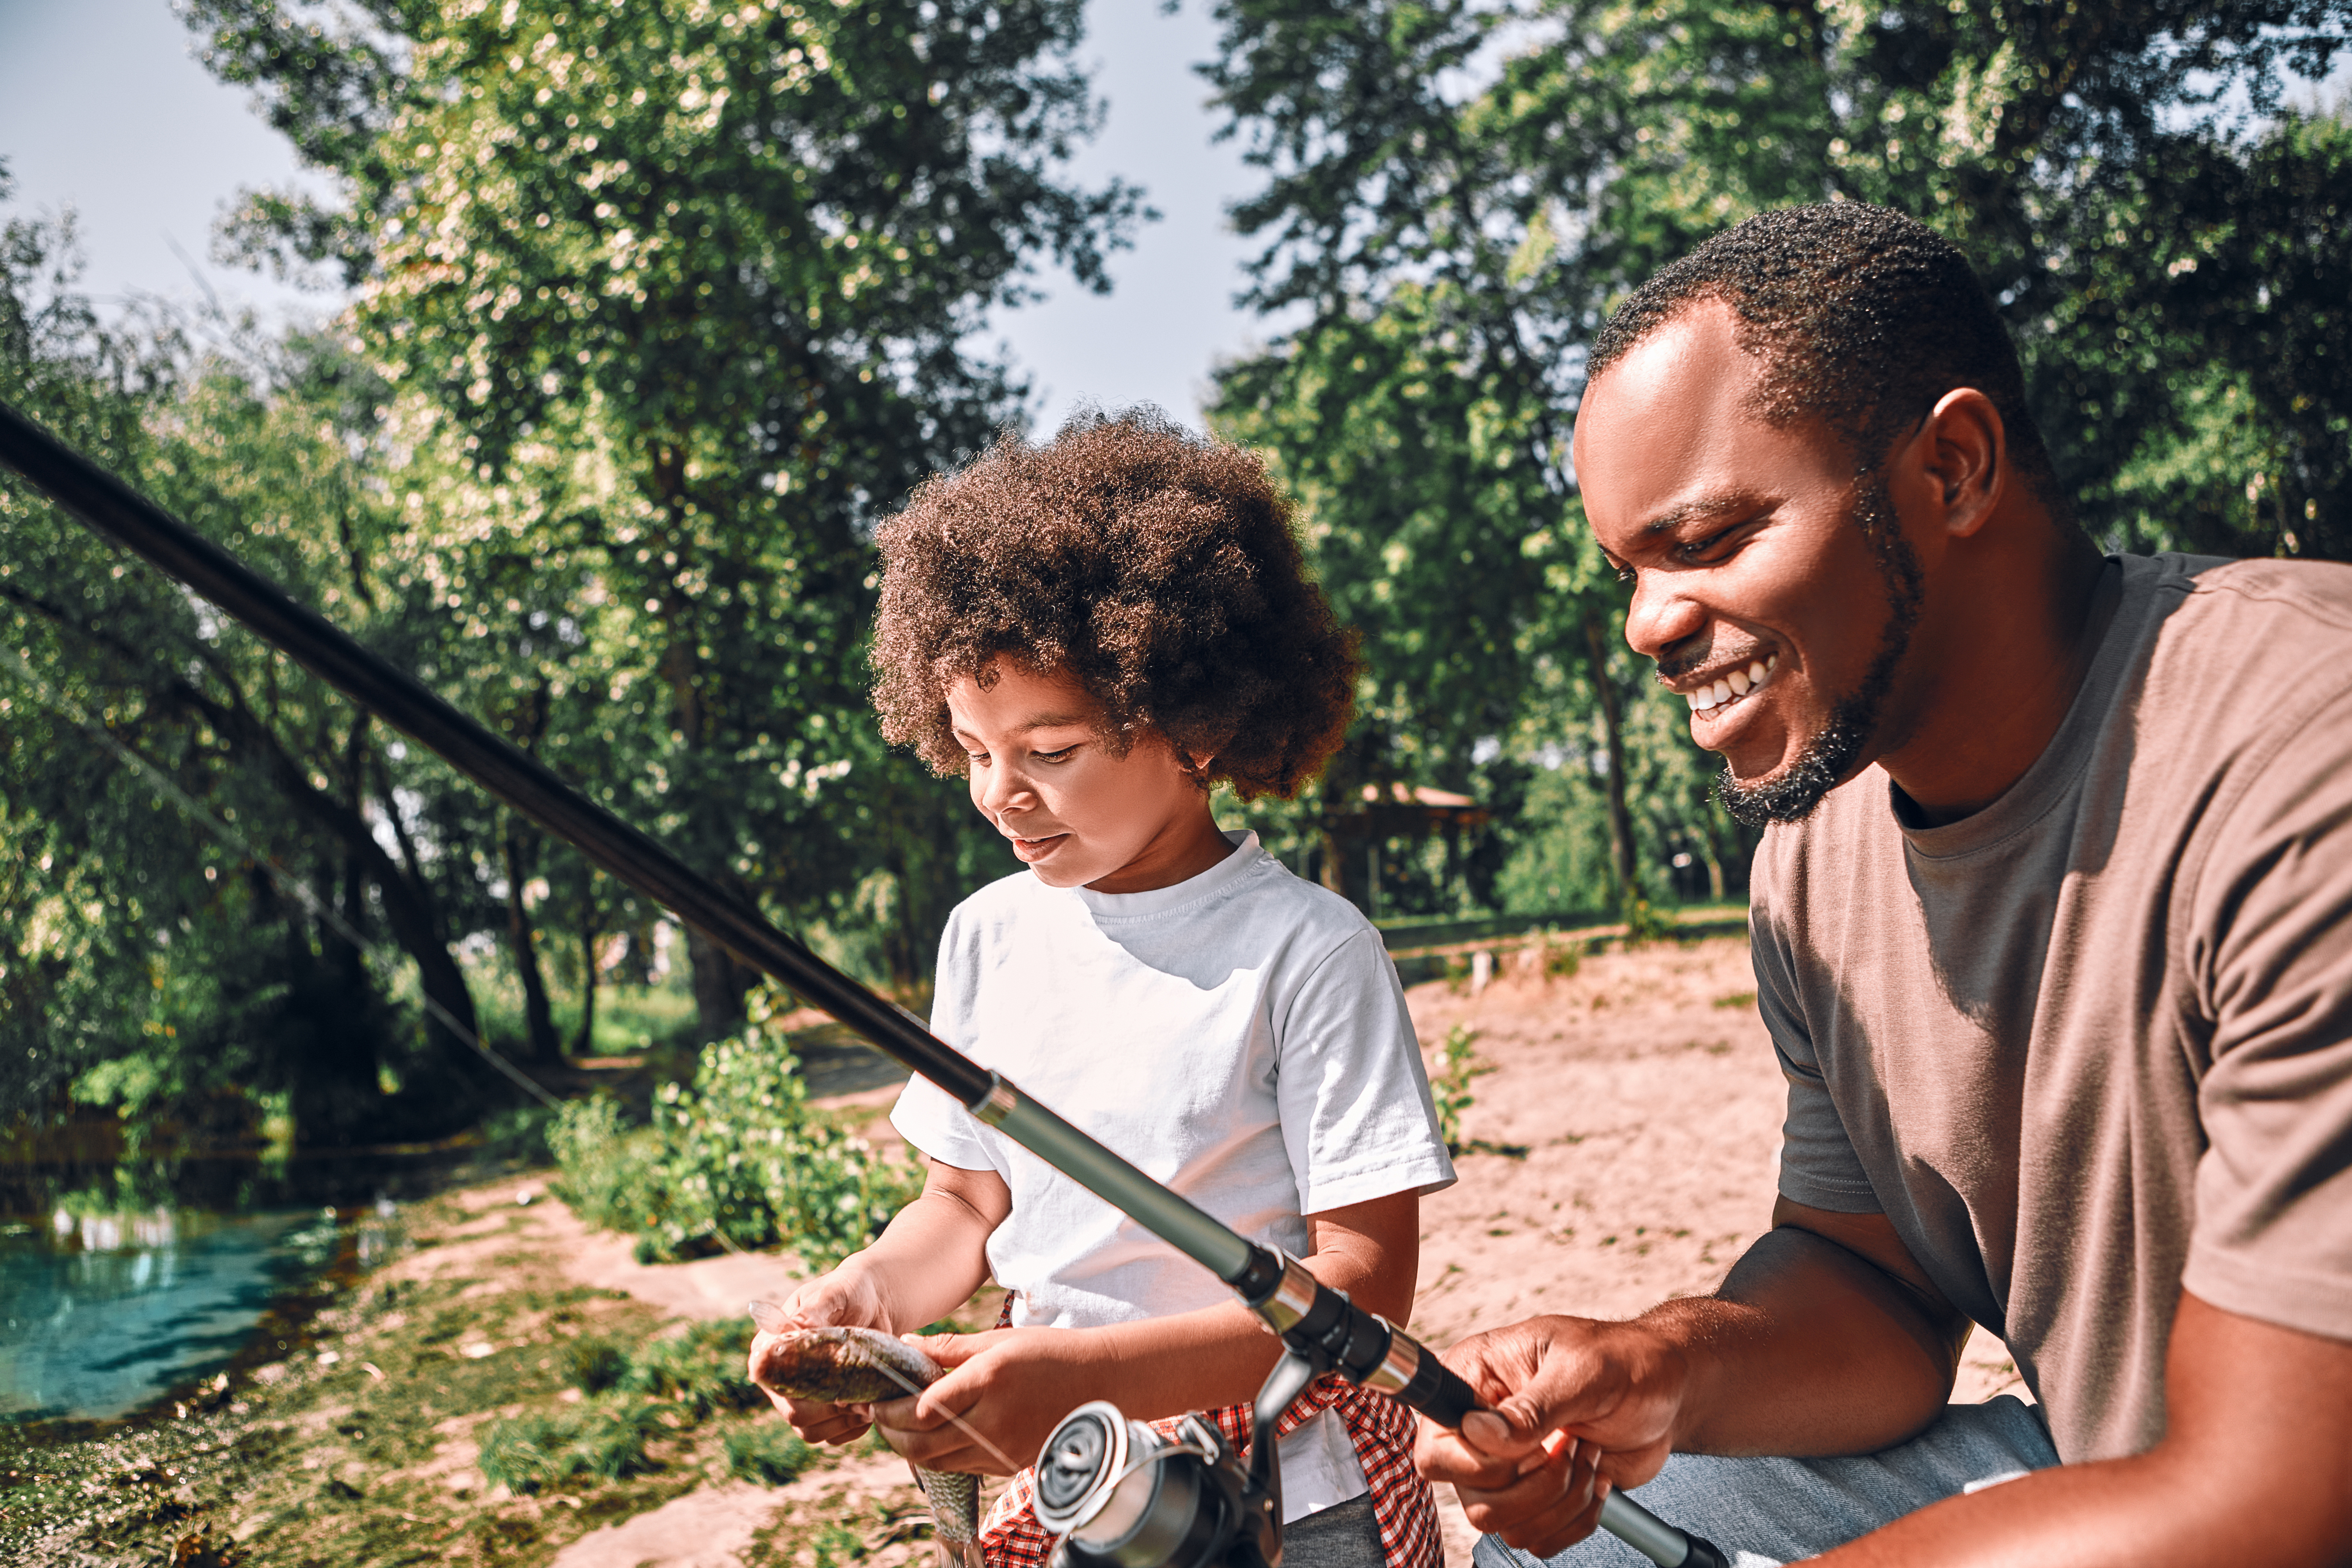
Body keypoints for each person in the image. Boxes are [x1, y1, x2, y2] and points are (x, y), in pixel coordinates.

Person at [1416, 202, 2352, 1567]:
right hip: (2116, 1459)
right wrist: (1660, 1370)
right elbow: (1878, 1284)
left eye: (1714, 539)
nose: (1648, 624)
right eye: (1629, 571)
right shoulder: (1813, 855)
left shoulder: (2300, 741)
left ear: (1954, 467)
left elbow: (2284, 1494)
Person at [752, 410, 1457, 1566]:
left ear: (1195, 723)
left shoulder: (1309, 951)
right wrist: (864, 1302)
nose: (1000, 794)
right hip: (1067, 1468)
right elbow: (966, 1210)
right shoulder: (985, 937)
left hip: (1293, 1485)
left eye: (1051, 750)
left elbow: (1364, 1296)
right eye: (975, 749)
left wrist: (1084, 1378)